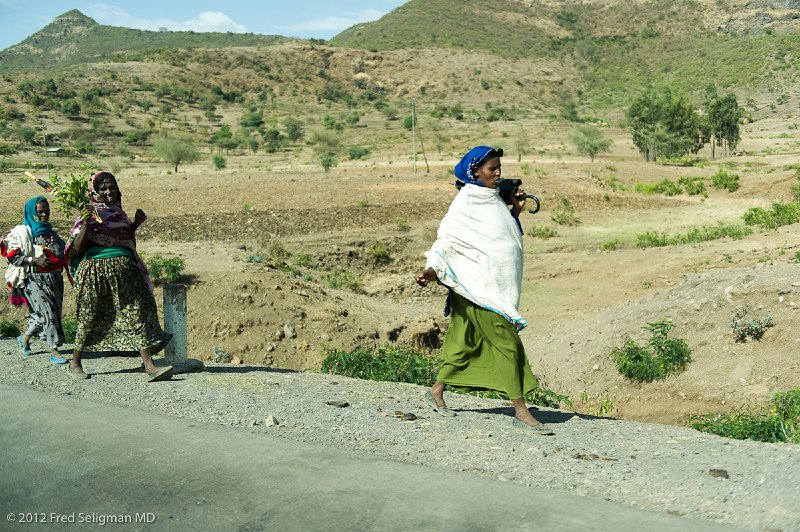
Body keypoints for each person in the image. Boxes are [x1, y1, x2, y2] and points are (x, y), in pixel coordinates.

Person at [415, 146, 554, 435]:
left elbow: (502, 234)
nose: (498, 172)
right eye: (492, 168)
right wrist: (431, 271)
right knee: (507, 344)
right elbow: (446, 241)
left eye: (499, 167)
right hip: (478, 288)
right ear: (475, 171)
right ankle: (520, 410)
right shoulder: (466, 203)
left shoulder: (491, 200)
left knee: (465, 342)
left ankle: (436, 390)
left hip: (486, 287)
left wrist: (515, 210)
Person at [65, 171, 172, 381]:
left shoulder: (118, 212)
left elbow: (122, 238)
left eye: (111, 187)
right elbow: (77, 248)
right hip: (95, 272)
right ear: (95, 191)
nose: (108, 191)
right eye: (103, 188)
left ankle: (149, 365)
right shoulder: (89, 213)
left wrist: (135, 225)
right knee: (89, 316)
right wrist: (86, 222)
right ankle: (75, 362)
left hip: (124, 273)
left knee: (135, 313)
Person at [1, 197, 68, 364]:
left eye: (47, 211)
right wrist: (34, 260)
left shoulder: (51, 233)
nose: (44, 214)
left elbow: (65, 250)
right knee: (48, 314)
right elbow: (13, 257)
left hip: (54, 279)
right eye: (40, 212)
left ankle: (24, 339)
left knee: (44, 315)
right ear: (32, 213)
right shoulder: (23, 233)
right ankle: (54, 350)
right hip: (34, 280)